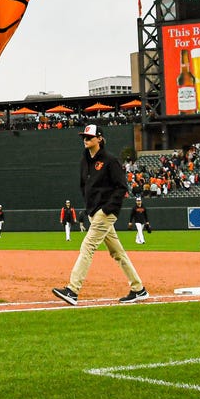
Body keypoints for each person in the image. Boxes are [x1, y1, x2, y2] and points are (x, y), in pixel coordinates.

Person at [52, 125, 148, 305]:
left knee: (87, 246)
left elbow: (121, 188)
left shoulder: (110, 161)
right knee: (117, 253)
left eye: (89, 137)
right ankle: (138, 289)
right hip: (93, 212)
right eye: (84, 137)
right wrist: (90, 208)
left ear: (99, 139)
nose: (85, 140)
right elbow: (84, 186)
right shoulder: (84, 160)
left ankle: (73, 290)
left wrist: (107, 209)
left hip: (105, 212)